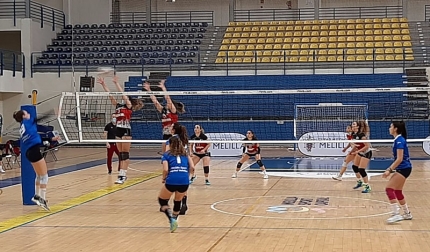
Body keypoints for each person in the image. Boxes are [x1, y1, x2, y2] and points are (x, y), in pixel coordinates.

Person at [98, 75, 144, 184]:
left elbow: (123, 95)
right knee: (121, 154)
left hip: (126, 131)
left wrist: (116, 83)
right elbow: (110, 96)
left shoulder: (128, 106)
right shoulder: (118, 106)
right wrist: (104, 85)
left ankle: (123, 175)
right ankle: (121, 175)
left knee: (125, 154)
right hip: (118, 131)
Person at [13, 110, 60, 211]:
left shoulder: (23, 127)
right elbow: (40, 119)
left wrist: (51, 139)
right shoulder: (28, 122)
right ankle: (41, 198)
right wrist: (52, 112)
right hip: (35, 151)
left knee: (39, 175)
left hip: (30, 152)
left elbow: (36, 138)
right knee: (44, 176)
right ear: (24, 116)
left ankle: (37, 196)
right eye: (27, 113)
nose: (29, 114)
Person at [158, 136, 195, 232]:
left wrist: (164, 178)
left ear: (170, 145)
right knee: (178, 201)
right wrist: (187, 175)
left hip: (172, 180)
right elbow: (192, 168)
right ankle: (174, 219)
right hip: (184, 181)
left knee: (162, 201)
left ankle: (171, 219)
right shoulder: (185, 154)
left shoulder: (166, 155)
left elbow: (165, 169)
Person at [382, 121, 413, 223]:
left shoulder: (399, 140)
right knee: (397, 191)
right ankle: (407, 213)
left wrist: (389, 170)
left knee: (389, 189)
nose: (389, 128)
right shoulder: (398, 140)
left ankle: (396, 214)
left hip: (404, 168)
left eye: (391, 126)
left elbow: (399, 159)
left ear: (395, 128)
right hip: (405, 168)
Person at [144, 80, 185, 154]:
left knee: (173, 153)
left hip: (174, 134)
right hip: (165, 134)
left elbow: (168, 99)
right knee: (164, 154)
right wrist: (149, 90)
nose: (167, 104)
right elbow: (155, 101)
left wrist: (163, 88)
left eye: (168, 103)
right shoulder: (163, 110)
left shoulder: (173, 110)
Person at [164, 122, 190, 215]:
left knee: (171, 185)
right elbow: (188, 153)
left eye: (171, 127)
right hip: (185, 164)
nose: (169, 128)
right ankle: (184, 204)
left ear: (174, 130)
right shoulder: (185, 140)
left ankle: (165, 204)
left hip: (174, 164)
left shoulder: (171, 140)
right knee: (183, 186)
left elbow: (167, 152)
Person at [350, 120, 372, 193]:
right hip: (360, 152)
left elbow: (367, 146)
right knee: (355, 167)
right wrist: (352, 150)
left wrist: (357, 151)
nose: (352, 126)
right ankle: (359, 182)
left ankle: (367, 186)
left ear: (357, 127)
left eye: (353, 124)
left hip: (366, 152)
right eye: (352, 124)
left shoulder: (361, 135)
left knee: (361, 169)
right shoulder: (353, 134)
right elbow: (356, 144)